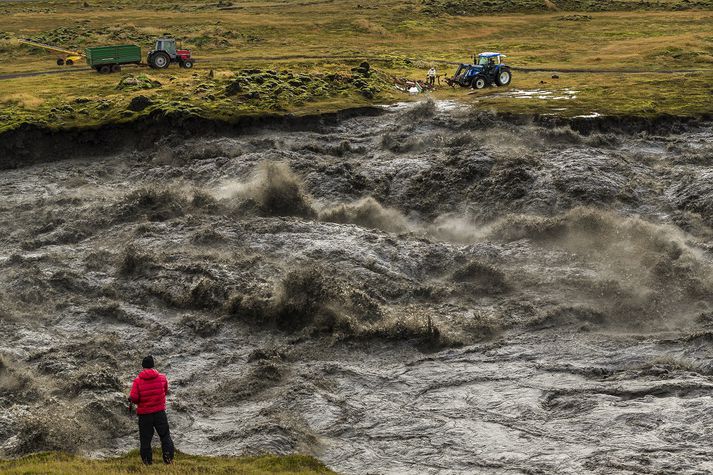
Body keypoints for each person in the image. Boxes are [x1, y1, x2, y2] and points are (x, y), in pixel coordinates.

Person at [129, 355, 174, 465]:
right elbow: (165, 390)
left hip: (145, 415)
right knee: (165, 436)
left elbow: (134, 398)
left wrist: (130, 398)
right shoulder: (162, 378)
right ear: (153, 365)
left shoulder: (137, 381)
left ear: (143, 367)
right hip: (160, 413)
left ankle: (147, 463)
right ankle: (168, 460)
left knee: (145, 440)